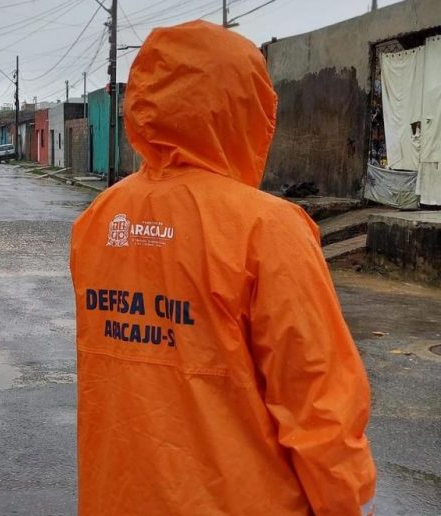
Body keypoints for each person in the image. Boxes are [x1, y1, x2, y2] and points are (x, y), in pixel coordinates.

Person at [69, 21, 376, 516]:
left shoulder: (99, 221)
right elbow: (320, 402)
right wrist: (343, 504)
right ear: (248, 109)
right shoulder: (268, 229)